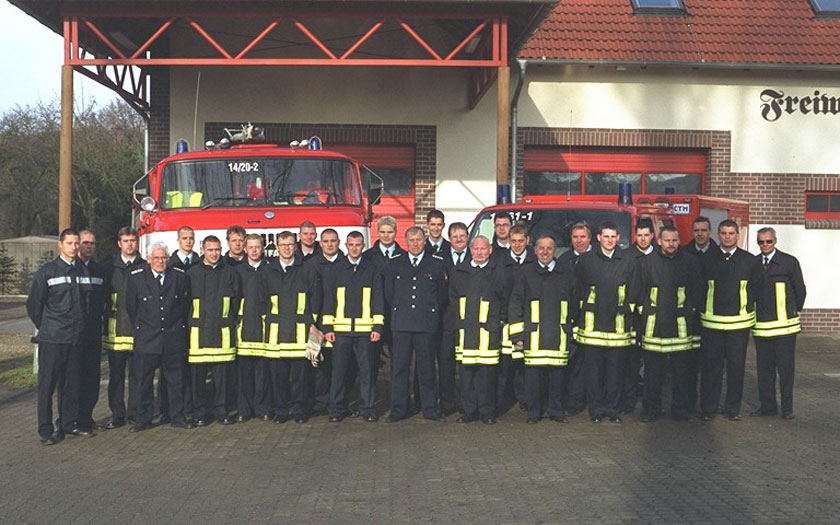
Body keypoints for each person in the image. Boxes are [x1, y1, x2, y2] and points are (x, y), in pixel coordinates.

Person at [27, 229, 92, 444]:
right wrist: (46, 327)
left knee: (71, 385)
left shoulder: (83, 271)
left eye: (76, 243)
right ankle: (45, 430)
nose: (74, 247)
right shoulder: (48, 271)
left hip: (76, 339)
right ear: (60, 245)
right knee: (47, 386)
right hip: (53, 339)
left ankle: (68, 423)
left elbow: (86, 304)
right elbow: (34, 305)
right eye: (70, 243)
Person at [574, 222, 639, 423]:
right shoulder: (586, 261)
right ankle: (596, 410)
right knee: (594, 374)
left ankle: (612, 410)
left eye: (613, 237)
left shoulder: (629, 262)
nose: (609, 240)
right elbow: (578, 289)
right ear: (598, 238)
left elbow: (634, 291)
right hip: (592, 327)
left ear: (618, 238)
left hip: (618, 328)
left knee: (615, 374)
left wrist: (627, 312)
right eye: (606, 236)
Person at [125, 242, 194, 431]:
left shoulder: (179, 277)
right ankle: (143, 419)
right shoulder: (137, 278)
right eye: (156, 258)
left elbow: (184, 306)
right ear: (148, 260)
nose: (160, 261)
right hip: (147, 339)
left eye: (163, 258)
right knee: (143, 382)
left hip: (172, 338)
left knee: (175, 381)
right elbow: (132, 307)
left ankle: (177, 416)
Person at [636, 226, 702, 422]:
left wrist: (689, 310)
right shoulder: (646, 263)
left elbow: (698, 291)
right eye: (667, 240)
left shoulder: (690, 262)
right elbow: (639, 292)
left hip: (680, 326)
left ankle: (680, 411)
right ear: (659, 241)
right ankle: (651, 411)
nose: (671, 244)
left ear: (679, 241)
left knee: (682, 374)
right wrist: (645, 313)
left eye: (674, 240)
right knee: (652, 376)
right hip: (654, 327)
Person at [509, 234, 577, 424]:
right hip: (534, 336)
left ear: (554, 250)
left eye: (549, 248)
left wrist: (569, 329)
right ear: (535, 250)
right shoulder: (525, 273)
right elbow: (516, 304)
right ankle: (533, 413)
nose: (545, 252)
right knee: (533, 380)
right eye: (541, 248)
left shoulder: (565, 273)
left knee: (558, 378)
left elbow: (573, 303)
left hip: (558, 335)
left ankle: (556, 411)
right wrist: (517, 336)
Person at [698, 219, 762, 421]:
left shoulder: (750, 261)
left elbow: (757, 290)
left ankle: (732, 409)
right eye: (723, 233)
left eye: (731, 233)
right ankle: (708, 408)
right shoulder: (707, 259)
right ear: (718, 235)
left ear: (738, 236)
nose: (727, 237)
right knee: (711, 368)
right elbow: (699, 289)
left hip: (738, 325)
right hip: (712, 324)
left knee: (736, 368)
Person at [384, 227, 447, 423]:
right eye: (411, 240)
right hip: (401, 324)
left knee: (427, 369)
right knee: (400, 369)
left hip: (425, 324)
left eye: (419, 240)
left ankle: (430, 409)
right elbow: (389, 293)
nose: (415, 243)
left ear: (424, 240)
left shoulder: (436, 264)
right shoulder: (395, 263)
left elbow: (441, 295)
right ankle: (398, 409)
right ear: (406, 241)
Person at [321, 231, 385, 422]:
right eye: (351, 245)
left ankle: (368, 408)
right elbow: (329, 300)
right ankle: (336, 409)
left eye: (358, 245)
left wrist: (377, 327)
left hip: (365, 332)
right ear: (345, 245)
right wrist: (328, 328)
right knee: (339, 372)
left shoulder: (371, 269)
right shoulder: (336, 269)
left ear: (363, 245)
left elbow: (378, 300)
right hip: (340, 332)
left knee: (367, 371)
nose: (355, 248)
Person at [260, 231, 319, 424]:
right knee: (277, 378)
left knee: (299, 378)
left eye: (290, 244)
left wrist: (313, 325)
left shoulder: (307, 269)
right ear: (276, 247)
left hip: (300, 333)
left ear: (296, 246)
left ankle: (298, 410)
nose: (286, 248)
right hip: (276, 334)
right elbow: (261, 302)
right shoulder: (267, 271)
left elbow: (316, 299)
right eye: (283, 244)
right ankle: (281, 411)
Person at [450, 235, 508, 424]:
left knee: (487, 376)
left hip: (488, 333)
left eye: (483, 249)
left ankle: (487, 412)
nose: (480, 253)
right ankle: (468, 411)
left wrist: (497, 323)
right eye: (476, 249)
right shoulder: (459, 272)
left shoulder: (498, 273)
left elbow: (505, 301)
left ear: (490, 250)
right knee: (466, 375)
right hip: (466, 332)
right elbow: (453, 299)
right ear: (470, 250)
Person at [187, 236, 242, 426]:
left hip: (222, 334)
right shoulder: (191, 273)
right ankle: (199, 413)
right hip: (198, 335)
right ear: (202, 250)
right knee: (197, 380)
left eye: (217, 250)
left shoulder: (230, 273)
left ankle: (222, 411)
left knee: (223, 380)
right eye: (210, 250)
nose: (214, 254)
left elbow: (236, 303)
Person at [751, 227, 806, 420]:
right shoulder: (754, 263)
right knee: (764, 370)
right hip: (762, 327)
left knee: (785, 370)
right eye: (761, 242)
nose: (765, 245)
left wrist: (792, 311)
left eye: (768, 241)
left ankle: (787, 409)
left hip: (785, 327)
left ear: (775, 241)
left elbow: (800, 290)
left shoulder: (789, 262)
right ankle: (768, 407)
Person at [100, 227, 145, 430]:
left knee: (138, 377)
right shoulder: (108, 267)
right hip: (115, 332)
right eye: (125, 241)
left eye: (132, 240)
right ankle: (117, 414)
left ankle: (135, 414)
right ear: (119, 243)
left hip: (137, 332)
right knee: (116, 377)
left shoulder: (144, 266)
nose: (129, 244)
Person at [496, 224, 533, 413]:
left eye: (521, 241)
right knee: (503, 365)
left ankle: (526, 401)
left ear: (527, 240)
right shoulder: (500, 262)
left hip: (526, 322)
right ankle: (500, 403)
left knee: (524, 365)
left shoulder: (534, 261)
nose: (517, 245)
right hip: (504, 323)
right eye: (513, 241)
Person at [557, 221, 592, 415]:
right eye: (575, 237)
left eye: (582, 237)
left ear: (590, 238)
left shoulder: (597, 259)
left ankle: (584, 399)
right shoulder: (564, 260)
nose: (579, 241)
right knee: (571, 362)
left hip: (592, 318)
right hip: (569, 319)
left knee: (589, 364)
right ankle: (571, 400)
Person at [235, 233, 271, 422]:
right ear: (245, 249)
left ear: (263, 248)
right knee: (244, 374)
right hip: (244, 328)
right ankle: (244, 409)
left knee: (263, 374)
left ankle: (263, 408)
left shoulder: (270, 270)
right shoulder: (237, 272)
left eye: (258, 247)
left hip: (265, 328)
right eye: (251, 247)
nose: (254, 250)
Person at [306, 228, 343, 415]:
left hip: (341, 324)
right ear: (320, 244)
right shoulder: (312, 265)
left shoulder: (345, 264)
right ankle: (321, 402)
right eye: (326, 241)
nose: (329, 244)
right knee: (317, 365)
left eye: (333, 241)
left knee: (340, 366)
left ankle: (338, 402)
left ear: (338, 242)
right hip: (317, 324)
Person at [621, 219, 655, 414]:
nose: (642, 239)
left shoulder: (659, 256)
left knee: (652, 363)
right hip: (632, 318)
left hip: (653, 317)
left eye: (646, 235)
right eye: (639, 235)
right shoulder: (627, 257)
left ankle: (651, 402)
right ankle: (629, 401)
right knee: (631, 362)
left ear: (652, 236)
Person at [438, 222, 471, 415]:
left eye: (462, 236)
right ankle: (447, 403)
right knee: (446, 363)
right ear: (449, 238)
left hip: (468, 319)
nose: (458, 239)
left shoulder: (475, 256)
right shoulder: (439, 258)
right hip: (446, 319)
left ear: (467, 236)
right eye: (455, 236)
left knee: (466, 364)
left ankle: (466, 402)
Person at [77, 229, 105, 433]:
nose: (89, 246)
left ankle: (87, 417)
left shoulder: (99, 270)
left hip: (93, 332)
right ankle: (71, 419)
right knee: (73, 379)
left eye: (92, 243)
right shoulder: (71, 269)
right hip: (74, 334)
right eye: (85, 242)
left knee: (91, 377)